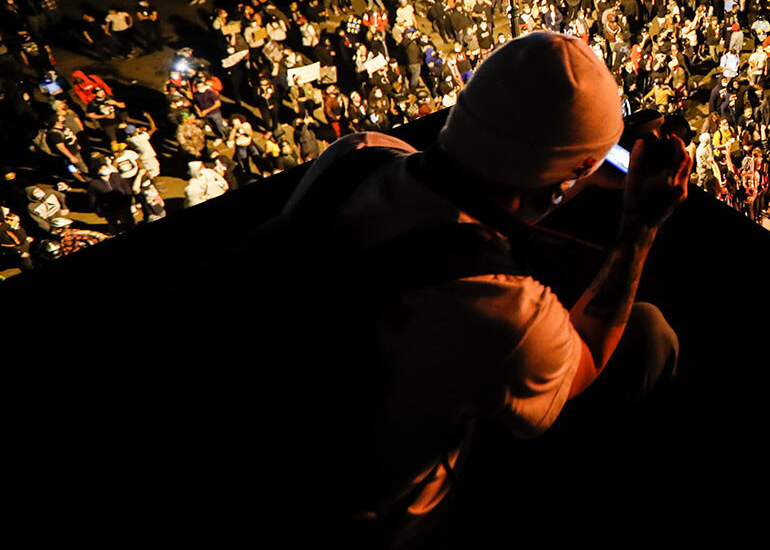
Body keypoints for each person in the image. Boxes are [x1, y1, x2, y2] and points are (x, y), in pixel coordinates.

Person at [221, 31, 691, 536]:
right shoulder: (503, 307)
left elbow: (476, 199)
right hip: (376, 510)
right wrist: (640, 228)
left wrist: (573, 177)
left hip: (268, 420)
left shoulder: (357, 154)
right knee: (648, 334)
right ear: (571, 168)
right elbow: (589, 360)